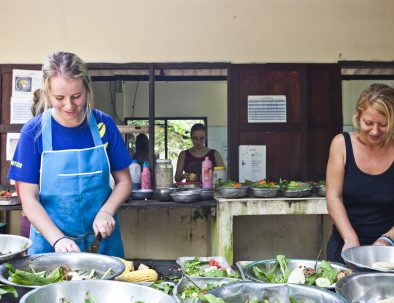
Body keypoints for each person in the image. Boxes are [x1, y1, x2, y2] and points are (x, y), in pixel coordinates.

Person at [8, 51, 132, 257]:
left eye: (76, 96)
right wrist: (58, 239)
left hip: (101, 242)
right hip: (51, 244)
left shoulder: (104, 124)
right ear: (48, 92)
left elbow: (124, 181)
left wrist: (107, 211)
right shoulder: (33, 132)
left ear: (87, 89)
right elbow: (28, 198)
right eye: (59, 98)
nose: (69, 105)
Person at [326, 83, 394, 263]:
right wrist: (350, 239)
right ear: (358, 115)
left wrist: (387, 240)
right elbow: (333, 196)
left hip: (388, 253)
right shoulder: (341, 144)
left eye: (383, 124)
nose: (375, 131)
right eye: (368, 123)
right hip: (345, 247)